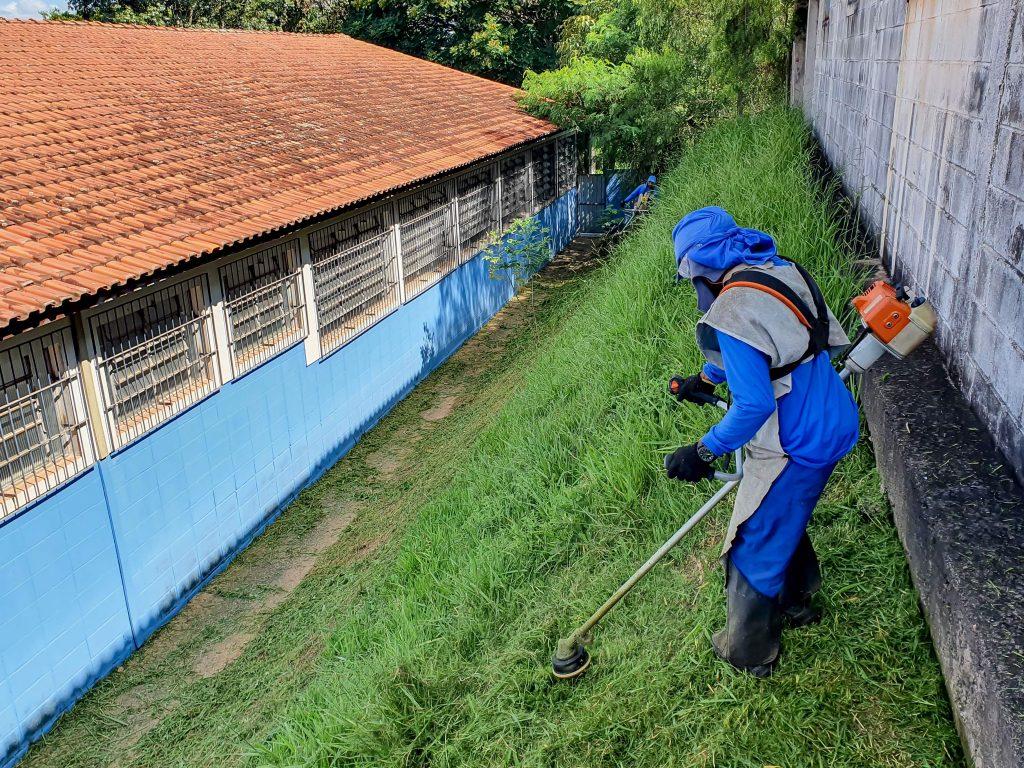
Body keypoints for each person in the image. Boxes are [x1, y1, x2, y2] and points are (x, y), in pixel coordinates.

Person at [664, 206, 859, 678]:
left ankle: (748, 652)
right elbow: (789, 340)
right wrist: (707, 378)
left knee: (752, 538)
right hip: (832, 411)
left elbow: (753, 406)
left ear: (699, 268)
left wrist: (703, 451)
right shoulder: (780, 269)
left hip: (797, 440)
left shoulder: (731, 306)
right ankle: (797, 603)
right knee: (783, 514)